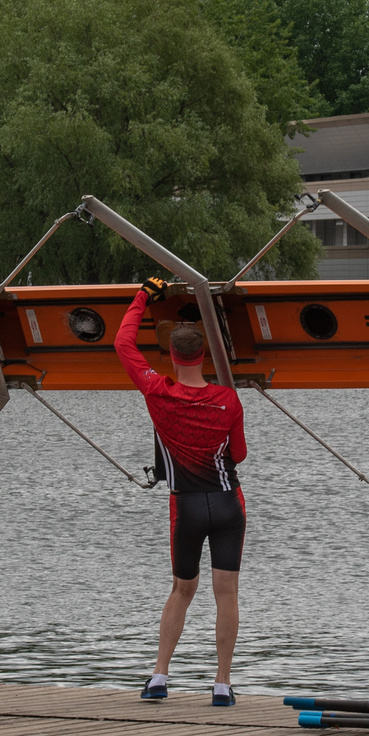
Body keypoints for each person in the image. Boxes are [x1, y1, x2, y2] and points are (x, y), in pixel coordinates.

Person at [114, 277, 246, 705]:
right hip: (228, 504)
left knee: (181, 590)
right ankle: (222, 685)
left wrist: (143, 296)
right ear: (203, 355)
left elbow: (123, 344)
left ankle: (159, 677)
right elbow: (238, 455)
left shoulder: (157, 390)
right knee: (226, 593)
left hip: (185, 508)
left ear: (172, 356)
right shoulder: (228, 400)